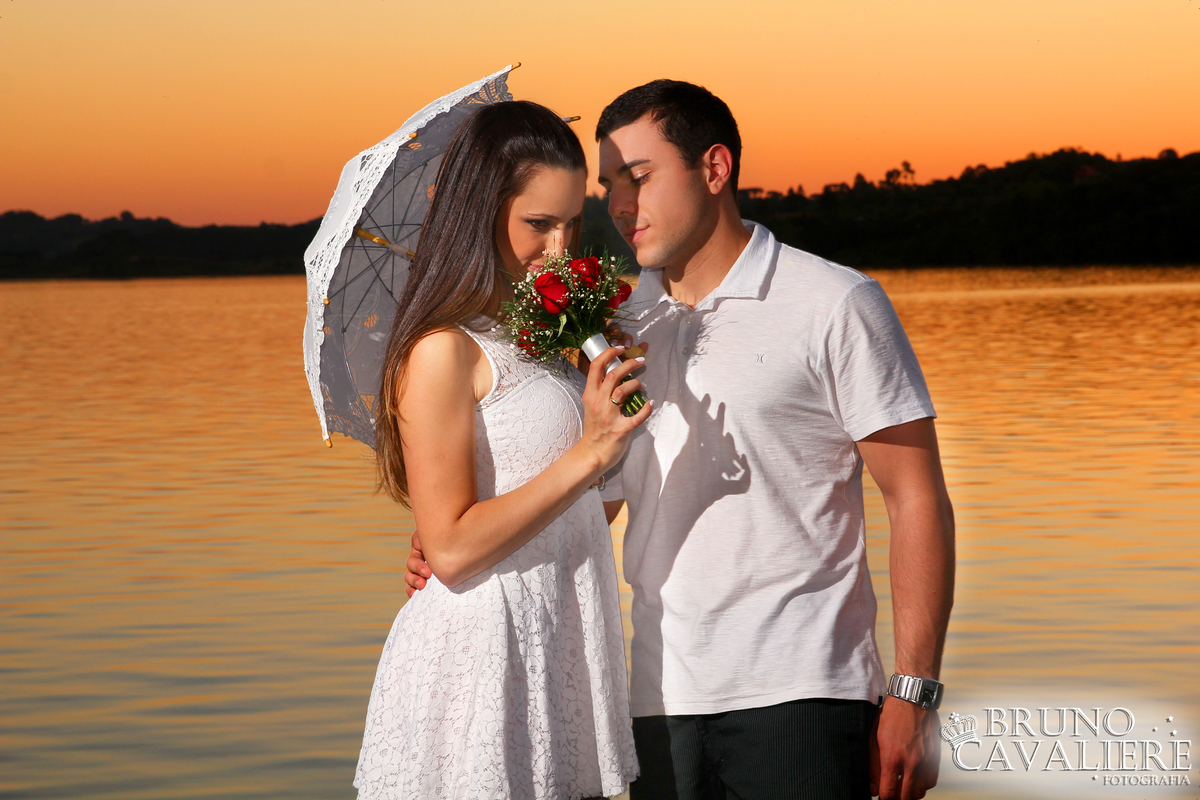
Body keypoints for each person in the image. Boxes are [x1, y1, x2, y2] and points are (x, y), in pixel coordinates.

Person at [407, 81, 955, 800]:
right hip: (655, 704)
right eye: (608, 185)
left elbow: (915, 497)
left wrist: (913, 691)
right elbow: (594, 503)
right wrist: (461, 540)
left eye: (637, 178)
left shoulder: (834, 303)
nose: (618, 205)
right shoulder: (615, 329)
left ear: (714, 168)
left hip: (803, 693)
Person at [356, 100, 649, 800]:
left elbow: (579, 510)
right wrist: (590, 451)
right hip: (483, 656)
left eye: (572, 223)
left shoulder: (543, 341)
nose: (559, 250)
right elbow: (454, 550)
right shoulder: (442, 349)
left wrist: (610, 417)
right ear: (481, 212)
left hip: (557, 638)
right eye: (538, 224)